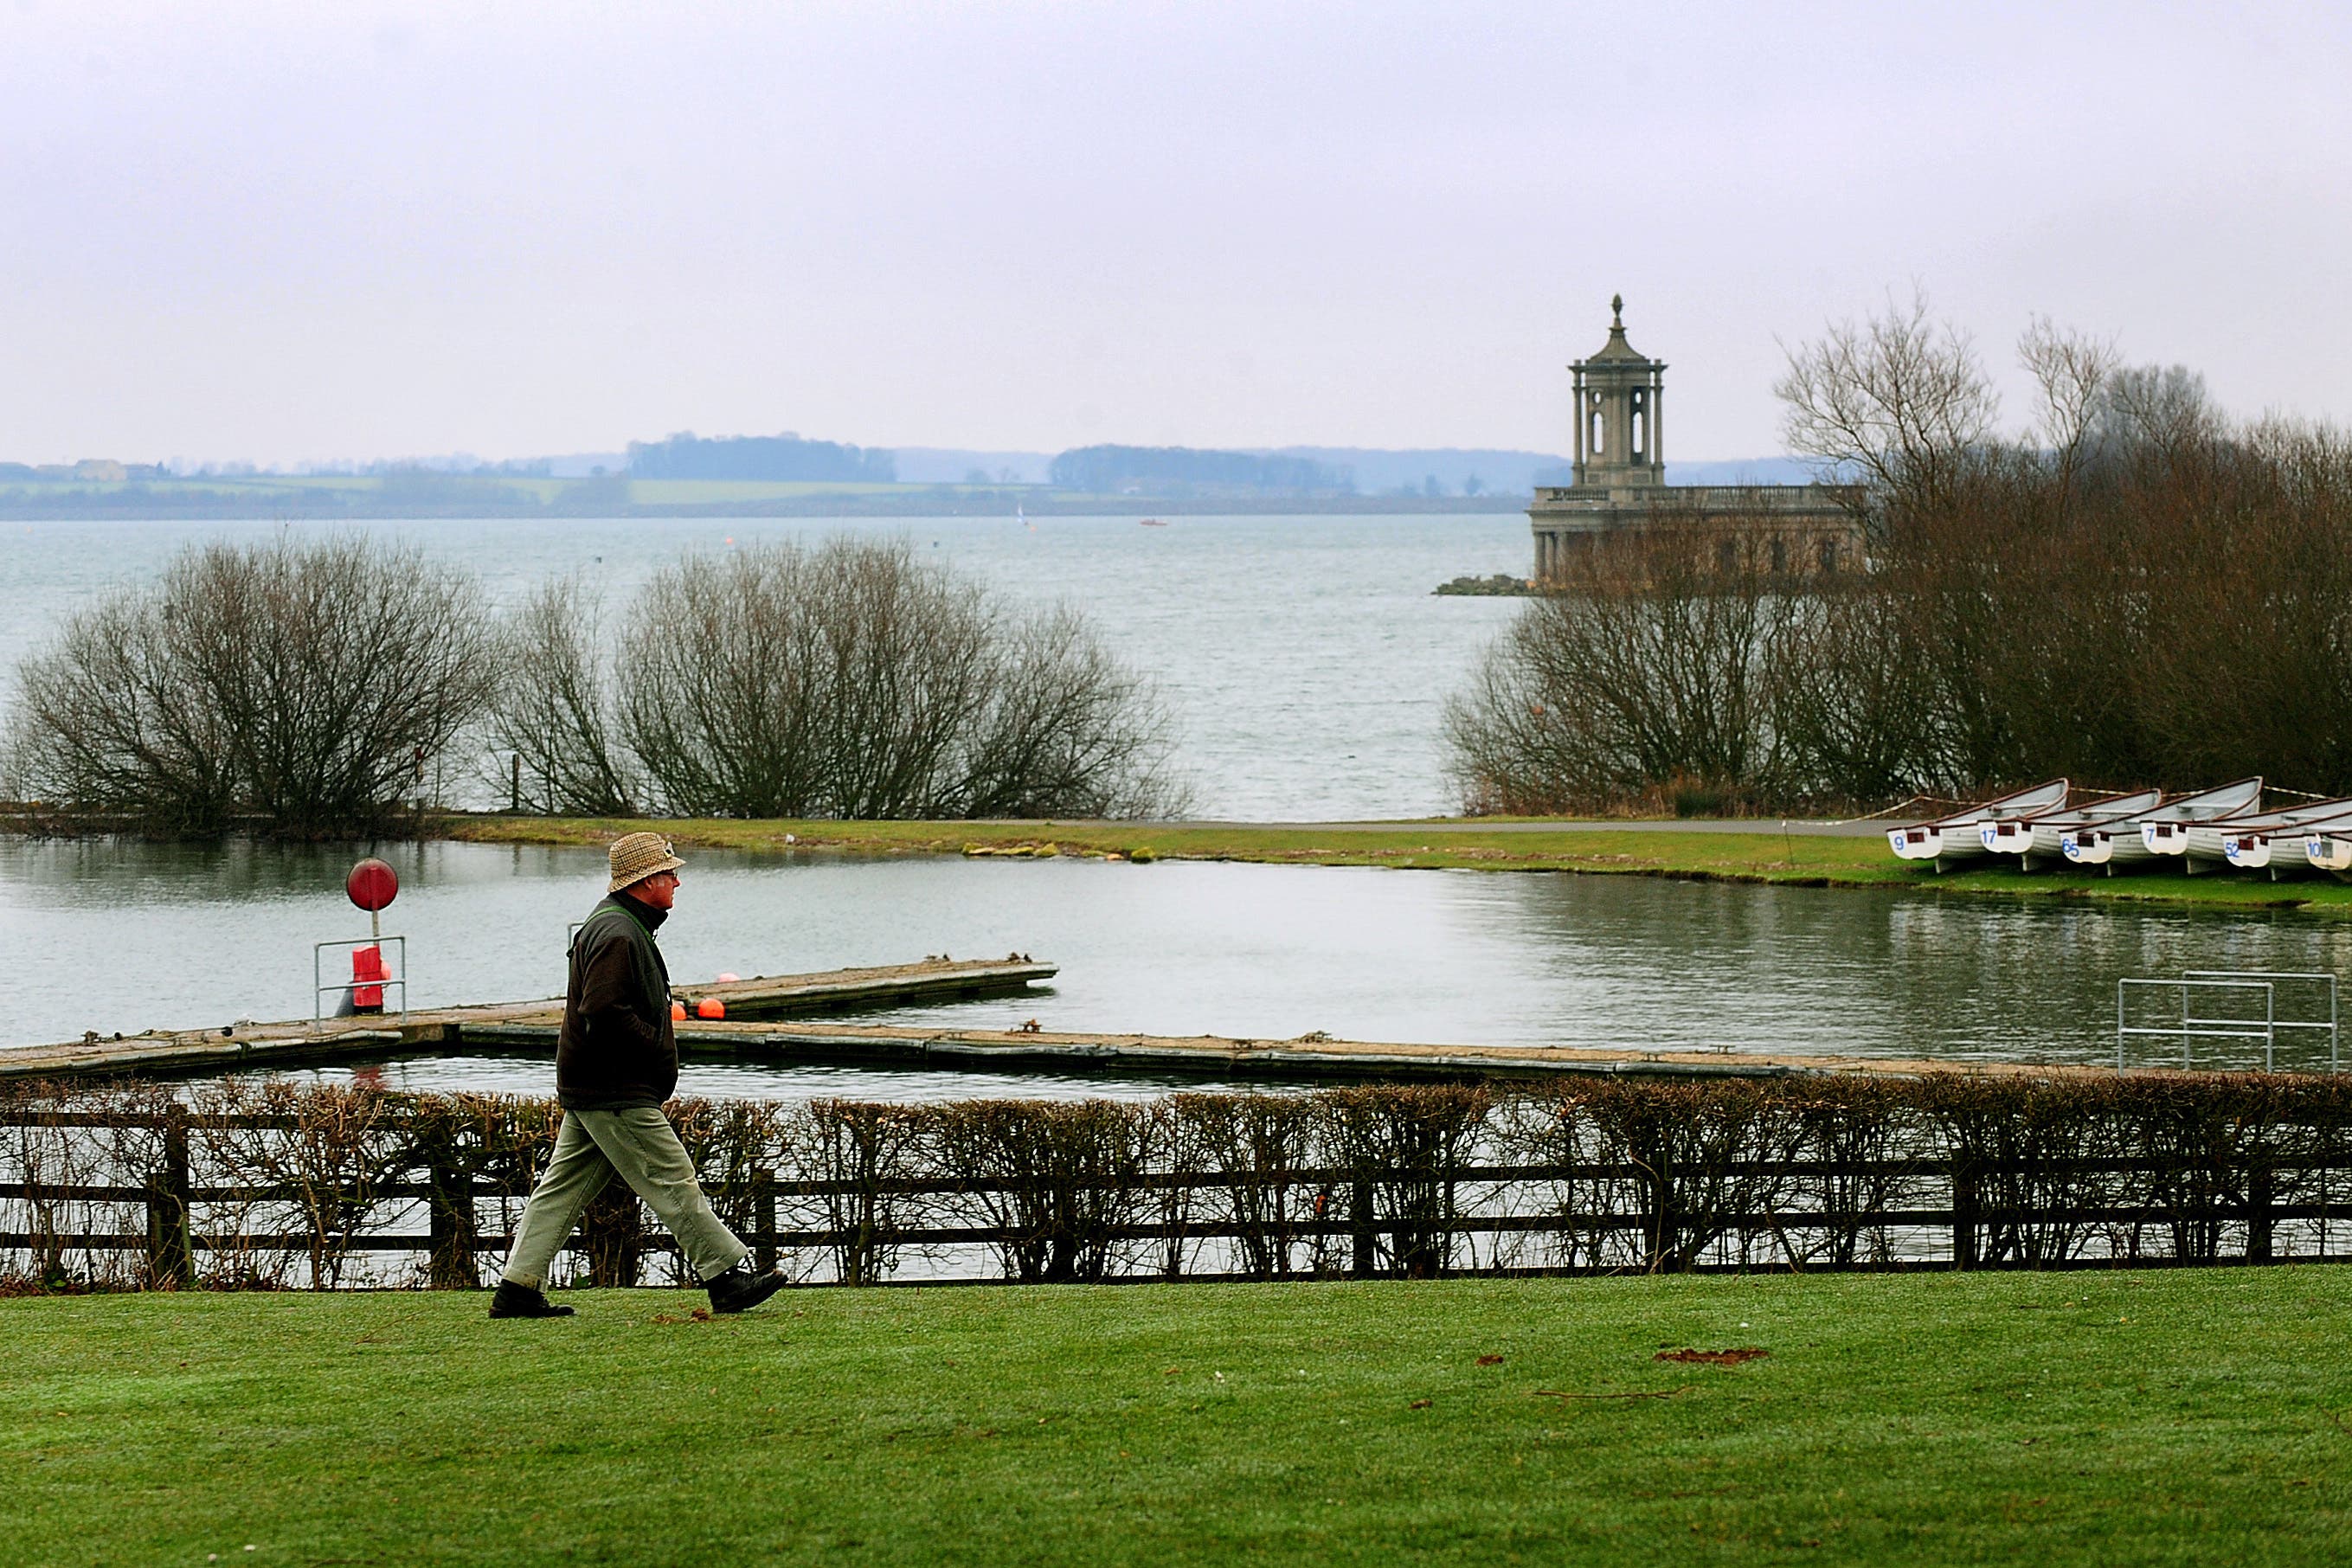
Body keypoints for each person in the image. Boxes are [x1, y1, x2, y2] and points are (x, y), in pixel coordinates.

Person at [490, 832, 789, 1319]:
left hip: (593, 1084)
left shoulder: (619, 927)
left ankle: (517, 1291)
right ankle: (726, 1275)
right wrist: (656, 1047)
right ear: (648, 881)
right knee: (672, 1178)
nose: (677, 882)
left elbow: (601, 1009)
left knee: (562, 1189)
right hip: (615, 1089)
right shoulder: (619, 933)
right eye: (671, 873)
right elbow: (603, 1011)